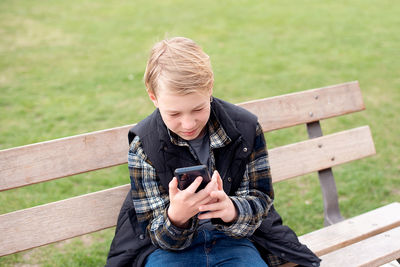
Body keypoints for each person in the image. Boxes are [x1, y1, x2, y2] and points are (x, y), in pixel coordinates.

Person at [105, 37, 320, 267]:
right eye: (175, 114)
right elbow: (154, 232)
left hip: (233, 241)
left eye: (197, 109)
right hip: (168, 251)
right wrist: (176, 218)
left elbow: (261, 200)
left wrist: (232, 210)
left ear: (210, 88)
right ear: (153, 97)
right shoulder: (143, 145)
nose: (188, 124)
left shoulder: (245, 129)